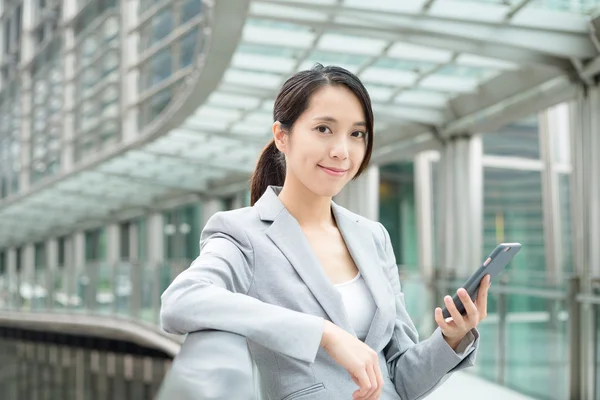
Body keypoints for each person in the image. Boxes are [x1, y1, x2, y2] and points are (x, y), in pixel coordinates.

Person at [160, 64, 490, 400]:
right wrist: (322, 333)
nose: (342, 151)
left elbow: (400, 380)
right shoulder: (243, 233)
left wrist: (451, 338)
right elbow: (181, 301)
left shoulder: (373, 237)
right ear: (281, 136)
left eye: (356, 134)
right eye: (323, 129)